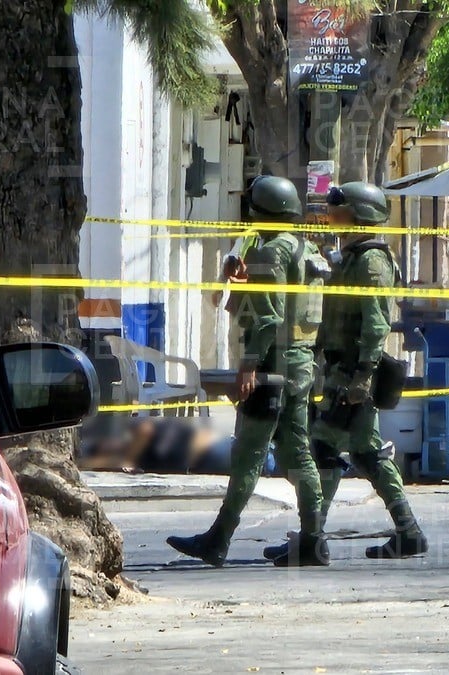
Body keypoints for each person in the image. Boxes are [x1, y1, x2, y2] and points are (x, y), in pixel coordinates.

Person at [167, 175, 330, 567]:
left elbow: (269, 318)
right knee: (298, 453)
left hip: (271, 367)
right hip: (300, 365)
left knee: (248, 454)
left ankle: (218, 539)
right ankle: (313, 540)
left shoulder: (270, 252)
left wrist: (248, 366)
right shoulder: (304, 248)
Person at [267, 182, 428, 561]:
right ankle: (405, 532)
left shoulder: (372, 262)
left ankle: (312, 540)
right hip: (341, 370)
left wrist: (363, 377)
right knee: (363, 453)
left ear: (360, 216)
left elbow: (376, 324)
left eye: (339, 214)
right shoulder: (351, 258)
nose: (332, 220)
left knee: (327, 449)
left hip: (355, 374)